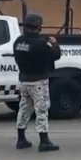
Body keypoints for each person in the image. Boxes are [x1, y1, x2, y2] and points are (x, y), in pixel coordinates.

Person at [13, 12, 61, 152]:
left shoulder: (18, 42)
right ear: (38, 26)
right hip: (38, 80)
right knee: (41, 110)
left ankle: (21, 139)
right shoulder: (40, 43)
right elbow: (55, 55)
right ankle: (44, 140)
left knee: (24, 109)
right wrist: (54, 43)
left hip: (24, 80)